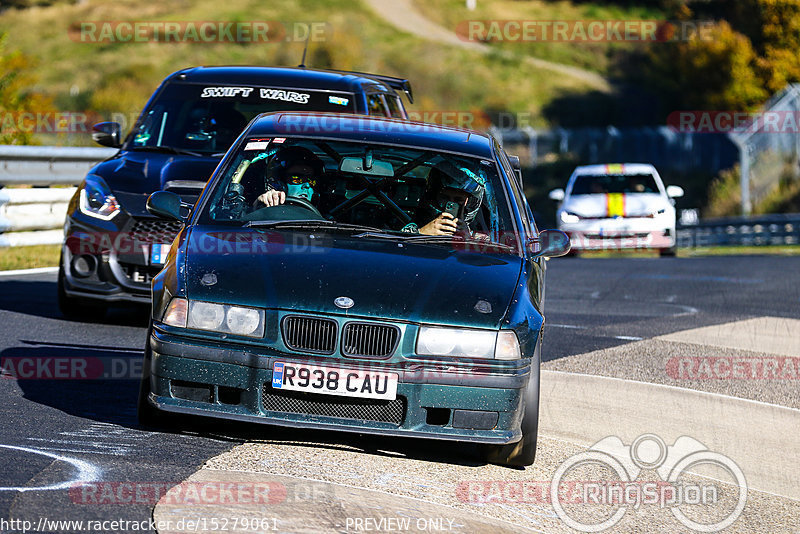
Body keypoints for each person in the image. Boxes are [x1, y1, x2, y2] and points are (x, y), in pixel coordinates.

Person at [405, 165, 485, 236]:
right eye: (445, 197)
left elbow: (488, 250)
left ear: (471, 202)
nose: (450, 204)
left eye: (459, 200)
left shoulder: (481, 234)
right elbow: (397, 242)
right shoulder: (412, 222)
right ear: (434, 196)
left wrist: (468, 241)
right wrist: (421, 232)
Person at [257, 146, 324, 206]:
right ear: (279, 183)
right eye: (297, 179)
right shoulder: (267, 209)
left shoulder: (324, 218)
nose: (307, 185)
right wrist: (260, 204)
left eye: (311, 181)